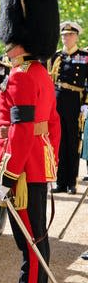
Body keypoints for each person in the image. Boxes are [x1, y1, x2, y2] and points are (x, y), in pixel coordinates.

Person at [0, 0, 61, 283]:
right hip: (36, 167)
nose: (6, 44)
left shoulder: (20, 77)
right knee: (37, 241)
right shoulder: (41, 74)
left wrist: (6, 174)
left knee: (29, 246)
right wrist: (50, 162)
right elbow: (54, 126)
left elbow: (18, 131)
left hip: (20, 173)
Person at [48, 21, 88, 195]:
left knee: (72, 141)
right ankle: (60, 181)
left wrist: (86, 103)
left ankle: (71, 181)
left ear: (76, 36)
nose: (66, 38)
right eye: (64, 35)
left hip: (74, 100)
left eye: (70, 35)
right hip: (57, 99)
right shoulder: (55, 56)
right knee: (58, 141)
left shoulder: (84, 57)